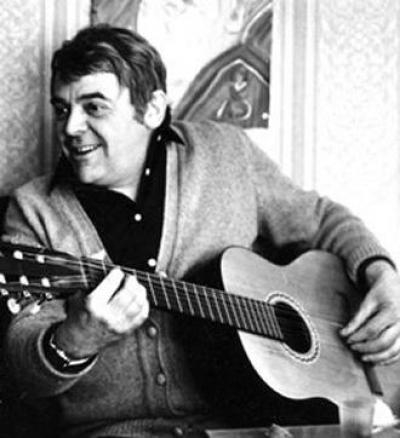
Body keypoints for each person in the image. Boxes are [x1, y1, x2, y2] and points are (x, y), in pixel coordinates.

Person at [2, 24, 400, 438]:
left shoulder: (226, 153)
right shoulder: (33, 208)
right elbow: (23, 361)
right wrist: (76, 339)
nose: (70, 127)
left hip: (250, 430)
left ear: (152, 109)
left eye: (94, 107)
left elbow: (320, 219)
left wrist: (382, 275)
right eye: (62, 109)